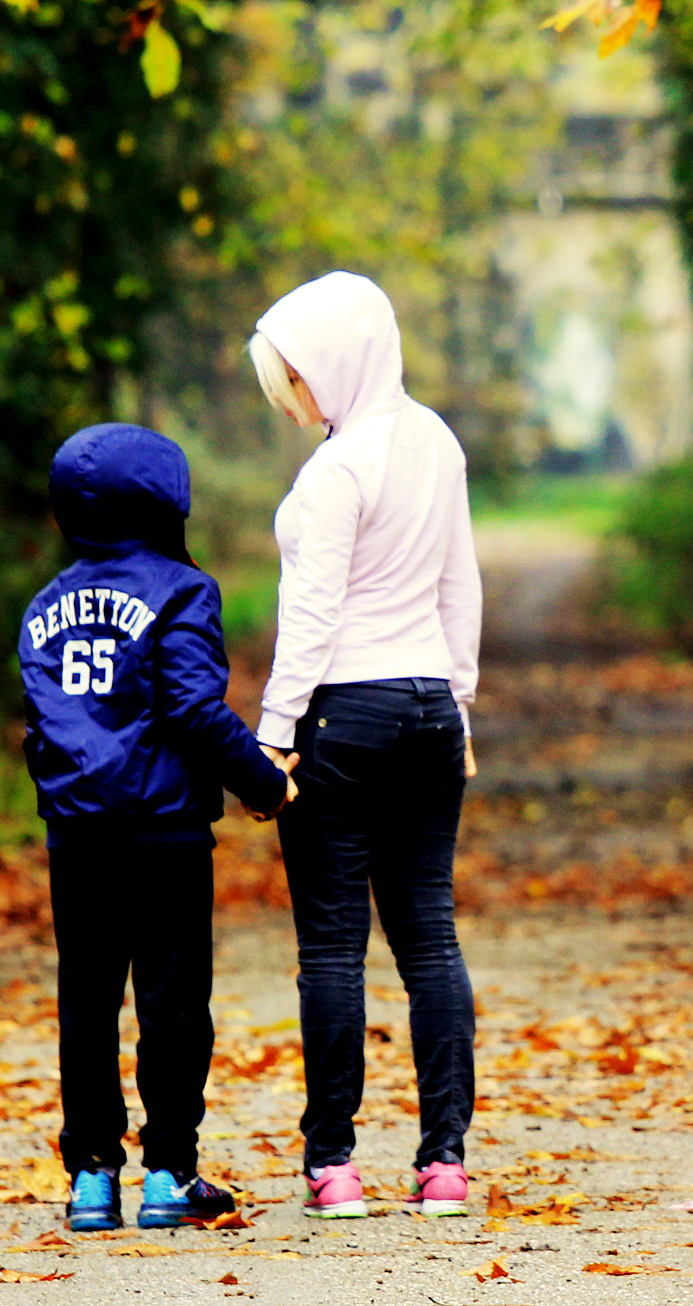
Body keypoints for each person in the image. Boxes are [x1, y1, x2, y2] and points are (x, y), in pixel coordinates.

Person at [18, 422, 298, 1233]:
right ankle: (170, 1171)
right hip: (164, 833)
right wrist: (265, 782)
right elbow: (191, 709)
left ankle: (91, 1179)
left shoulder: (44, 605)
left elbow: (45, 723)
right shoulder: (180, 589)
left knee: (88, 998)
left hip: (77, 834)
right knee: (173, 1002)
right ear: (167, 499)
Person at [247, 271, 483, 1220]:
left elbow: (313, 615)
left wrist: (271, 737)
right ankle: (446, 1164)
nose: (294, 402)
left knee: (334, 950)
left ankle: (333, 1166)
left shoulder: (339, 471)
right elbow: (460, 585)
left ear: (339, 364)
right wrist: (458, 706)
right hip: (427, 709)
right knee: (429, 936)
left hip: (342, 714)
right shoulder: (438, 442)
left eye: (297, 381)